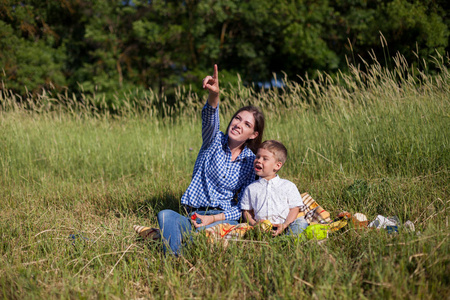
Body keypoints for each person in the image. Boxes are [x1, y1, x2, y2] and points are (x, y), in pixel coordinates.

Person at [157, 64, 265, 255]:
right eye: (237, 118)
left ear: (253, 134)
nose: (238, 124)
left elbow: (243, 206)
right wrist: (214, 95)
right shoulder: (213, 141)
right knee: (165, 216)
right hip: (195, 215)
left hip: (223, 218)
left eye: (246, 124)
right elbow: (210, 119)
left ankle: (190, 245)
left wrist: (214, 219)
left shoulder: (251, 161)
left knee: (212, 233)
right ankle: (176, 259)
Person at [241, 140, 308, 236]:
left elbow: (294, 209)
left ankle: (287, 240)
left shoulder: (288, 186)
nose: (259, 160)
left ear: (277, 165)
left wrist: (285, 225)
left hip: (285, 225)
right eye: (258, 157)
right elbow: (246, 211)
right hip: (261, 227)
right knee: (243, 228)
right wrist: (255, 224)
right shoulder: (251, 188)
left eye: (265, 159)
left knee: (301, 222)